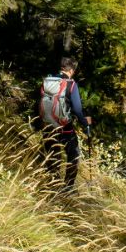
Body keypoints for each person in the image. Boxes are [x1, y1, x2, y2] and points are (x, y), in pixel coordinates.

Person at [38, 52, 91, 191]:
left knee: (52, 155)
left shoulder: (47, 81)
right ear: (71, 70)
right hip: (64, 127)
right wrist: (86, 124)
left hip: (47, 125)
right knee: (73, 155)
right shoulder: (71, 85)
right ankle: (67, 188)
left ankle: (51, 185)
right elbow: (78, 110)